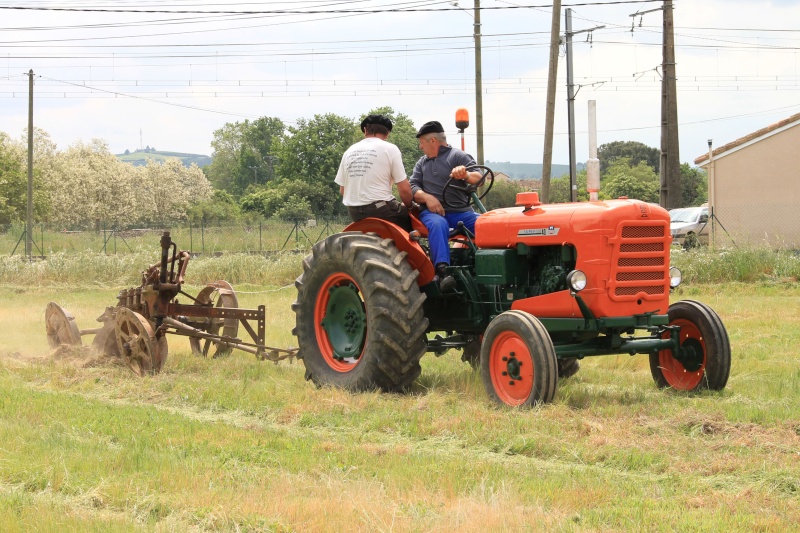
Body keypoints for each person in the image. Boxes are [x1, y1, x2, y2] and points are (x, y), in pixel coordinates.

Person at [409, 120, 483, 291]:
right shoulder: (422, 163)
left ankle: (487, 267)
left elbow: (479, 178)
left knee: (487, 224)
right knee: (438, 224)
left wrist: (465, 174)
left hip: (461, 212)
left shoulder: (457, 156)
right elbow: (413, 188)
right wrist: (427, 197)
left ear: (432, 141)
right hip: (432, 213)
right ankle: (442, 272)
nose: (421, 147)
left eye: (421, 143)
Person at [335, 114, 412, 231]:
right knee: (412, 220)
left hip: (354, 212)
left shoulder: (349, 151)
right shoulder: (390, 148)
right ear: (387, 134)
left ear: (365, 130)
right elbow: (404, 189)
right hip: (382, 210)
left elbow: (343, 190)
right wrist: (410, 207)